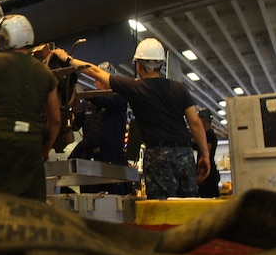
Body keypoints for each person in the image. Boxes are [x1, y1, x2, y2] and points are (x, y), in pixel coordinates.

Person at [54, 38, 209, 199]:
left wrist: (67, 59)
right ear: (161, 64)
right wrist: (204, 155)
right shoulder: (180, 89)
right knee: (190, 202)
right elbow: (196, 124)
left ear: (139, 66)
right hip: (185, 153)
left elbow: (95, 71)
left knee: (161, 207)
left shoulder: (135, 88)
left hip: (158, 155)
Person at [0, 14, 61, 201]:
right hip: (29, 144)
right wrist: (44, 149)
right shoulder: (46, 73)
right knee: (30, 207)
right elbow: (55, 120)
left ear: (7, 38)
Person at [65, 71, 132, 195]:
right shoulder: (87, 105)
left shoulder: (118, 99)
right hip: (91, 159)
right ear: (95, 82)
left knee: (118, 199)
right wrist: (72, 109)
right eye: (99, 80)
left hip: (112, 158)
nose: (103, 82)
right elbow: (75, 125)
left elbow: (104, 101)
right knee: (89, 199)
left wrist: (83, 94)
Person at [195, 107, 220, 198]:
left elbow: (206, 155)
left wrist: (201, 175)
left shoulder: (208, 135)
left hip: (207, 174)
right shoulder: (208, 135)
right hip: (208, 173)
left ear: (203, 120)